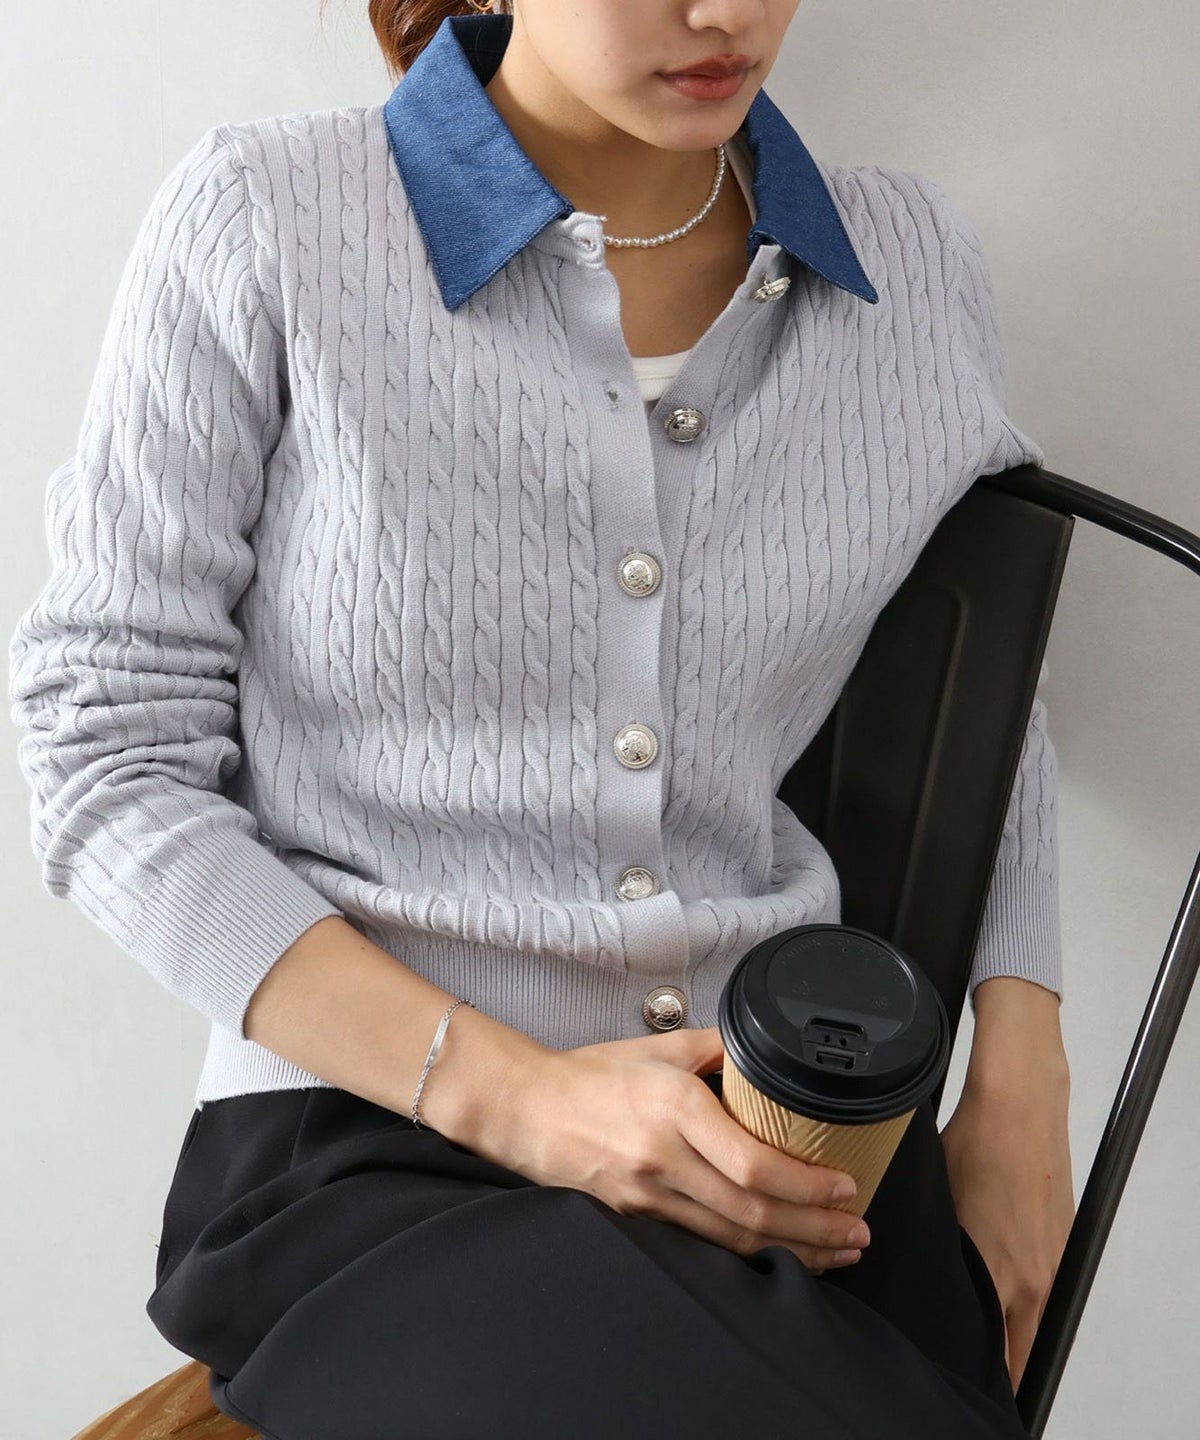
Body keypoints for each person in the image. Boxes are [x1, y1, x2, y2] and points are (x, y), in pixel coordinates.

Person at [8, 1, 1074, 1435]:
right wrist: (524, 1101)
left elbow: (974, 676)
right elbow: (105, 753)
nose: (726, 13)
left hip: (800, 1141)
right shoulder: (270, 219)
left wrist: (1020, 1074)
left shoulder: (912, 265)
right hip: (375, 1150)